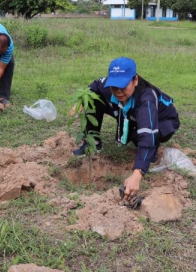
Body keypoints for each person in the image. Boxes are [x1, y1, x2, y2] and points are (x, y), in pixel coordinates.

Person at [71, 57, 180, 200]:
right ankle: (93, 143)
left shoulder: (146, 98)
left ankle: (151, 150)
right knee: (92, 98)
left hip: (163, 120)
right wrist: (81, 102)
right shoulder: (111, 88)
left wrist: (137, 173)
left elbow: (147, 135)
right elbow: (96, 85)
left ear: (135, 80)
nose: (118, 91)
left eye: (122, 86)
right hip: (132, 113)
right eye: (114, 86)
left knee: (141, 138)